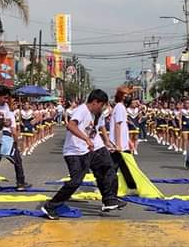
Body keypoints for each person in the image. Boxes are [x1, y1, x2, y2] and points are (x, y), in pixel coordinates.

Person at [41, 89, 120, 220]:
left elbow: (99, 128)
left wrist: (107, 142)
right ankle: (50, 206)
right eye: (101, 105)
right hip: (75, 152)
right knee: (76, 181)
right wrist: (86, 139)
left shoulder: (95, 113)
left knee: (107, 167)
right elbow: (71, 126)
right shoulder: (82, 110)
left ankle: (109, 200)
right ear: (95, 102)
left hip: (90, 149)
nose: (102, 108)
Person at [109, 86, 137, 196]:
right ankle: (111, 191)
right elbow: (118, 126)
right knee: (117, 168)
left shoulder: (120, 107)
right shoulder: (120, 107)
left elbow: (123, 128)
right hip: (119, 145)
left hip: (122, 144)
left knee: (126, 167)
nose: (128, 98)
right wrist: (119, 144)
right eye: (126, 96)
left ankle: (131, 187)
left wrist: (129, 141)